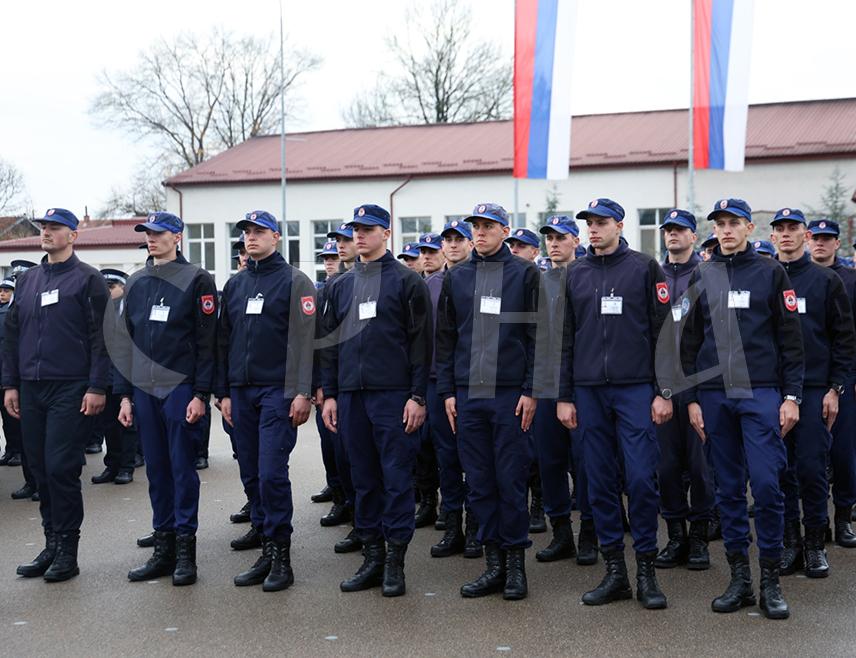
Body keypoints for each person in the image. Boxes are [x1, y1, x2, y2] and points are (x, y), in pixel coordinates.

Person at [681, 198, 804, 620]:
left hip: (761, 392)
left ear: (750, 228)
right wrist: (693, 398)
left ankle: (770, 579)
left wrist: (792, 397)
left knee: (768, 485)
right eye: (720, 223)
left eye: (734, 223)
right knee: (727, 490)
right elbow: (689, 342)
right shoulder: (704, 273)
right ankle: (740, 579)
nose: (726, 230)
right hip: (714, 396)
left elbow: (791, 340)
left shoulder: (771, 272)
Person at [556, 198, 671, 609]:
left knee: (640, 478)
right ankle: (615, 572)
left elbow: (664, 333)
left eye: (601, 222)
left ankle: (646, 570)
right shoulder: (575, 274)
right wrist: (565, 396)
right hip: (588, 392)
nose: (593, 229)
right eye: (589, 223)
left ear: (619, 225)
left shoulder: (643, 268)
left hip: (636, 389)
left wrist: (664, 391)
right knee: (598, 482)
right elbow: (565, 338)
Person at [321, 204, 432, 597]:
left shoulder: (406, 281)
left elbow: (422, 345)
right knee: (362, 478)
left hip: (392, 396)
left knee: (396, 478)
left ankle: (395, 563)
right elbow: (329, 346)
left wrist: (418, 396)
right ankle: (371, 556)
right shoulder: (340, 285)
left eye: (368, 229)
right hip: (351, 396)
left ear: (386, 232)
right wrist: (330, 393)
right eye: (355, 230)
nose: (359, 236)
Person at [436, 202, 539, 601]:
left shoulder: (525, 274)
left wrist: (531, 389)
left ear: (504, 229)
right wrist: (446, 392)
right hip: (467, 394)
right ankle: (492, 563)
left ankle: (515, 565)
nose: (480, 233)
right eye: (475, 226)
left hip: (510, 394)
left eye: (488, 226)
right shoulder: (457, 277)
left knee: (510, 480)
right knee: (478, 482)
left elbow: (537, 338)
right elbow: (445, 340)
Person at [4, 207, 111, 582]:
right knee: (37, 468)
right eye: (43, 227)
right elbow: (12, 335)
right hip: (31, 388)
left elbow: (102, 338)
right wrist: (10, 384)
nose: (47, 232)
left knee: (61, 467)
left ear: (73, 235)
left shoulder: (88, 280)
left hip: (71, 386)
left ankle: (68, 549)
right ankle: (50, 543)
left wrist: (98, 385)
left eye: (55, 227)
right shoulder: (29, 280)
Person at [114, 211, 217, 587]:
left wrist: (201, 393)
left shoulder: (197, 279)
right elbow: (124, 342)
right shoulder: (137, 281)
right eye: (147, 234)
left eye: (158, 234)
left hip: (179, 389)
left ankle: (186, 551)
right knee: (156, 470)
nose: (151, 239)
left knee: (181, 468)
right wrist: (123, 396)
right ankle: (164, 547)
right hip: (144, 389)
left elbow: (208, 342)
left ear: (177, 237)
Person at [217, 210, 315, 591]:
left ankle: (282, 556)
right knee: (251, 473)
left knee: (272, 473)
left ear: (276, 237)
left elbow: (306, 340)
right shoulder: (237, 284)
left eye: (259, 232)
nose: (251, 238)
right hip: (241, 392)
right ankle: (264, 545)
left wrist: (302, 391)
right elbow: (223, 340)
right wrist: (222, 392)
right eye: (246, 233)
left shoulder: (295, 281)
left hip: (279, 391)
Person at [769, 208, 856, 578]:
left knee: (811, 469)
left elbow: (844, 338)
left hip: (815, 388)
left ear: (805, 236)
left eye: (793, 229)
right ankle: (791, 542)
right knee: (781, 471)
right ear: (772, 237)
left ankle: (816, 544)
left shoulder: (825, 280)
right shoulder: (764, 277)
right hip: (772, 390)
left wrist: (836, 388)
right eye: (780, 230)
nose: (786, 235)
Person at [532, 215, 599, 566]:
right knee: (550, 461)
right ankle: (561, 533)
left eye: (561, 237)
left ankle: (590, 531)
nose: (554, 243)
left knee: (587, 461)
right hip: (544, 384)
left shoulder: (588, 276)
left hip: (581, 383)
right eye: (549, 238)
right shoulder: (539, 281)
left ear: (576, 240)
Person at [653, 210, 715, 571]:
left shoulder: (706, 275)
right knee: (666, 465)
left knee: (701, 466)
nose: (673, 235)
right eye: (668, 230)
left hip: (699, 386)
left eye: (680, 230)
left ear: (694, 236)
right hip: (662, 385)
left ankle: (699, 538)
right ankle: (675, 536)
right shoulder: (654, 275)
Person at [425, 220, 482, 559]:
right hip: (437, 383)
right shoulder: (428, 285)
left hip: (475, 382)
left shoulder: (480, 279)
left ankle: (476, 526)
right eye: (447, 239)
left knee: (473, 459)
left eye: (459, 238)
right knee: (446, 458)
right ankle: (451, 527)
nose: (453, 244)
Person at [806, 219, 856, 547]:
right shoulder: (793, 277)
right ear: (808, 240)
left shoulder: (851, 279)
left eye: (828, 239)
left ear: (838, 243)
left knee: (843, 451)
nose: (821, 244)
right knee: (809, 457)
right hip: (807, 377)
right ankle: (815, 521)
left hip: (844, 374)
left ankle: (842, 517)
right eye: (817, 238)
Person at [315, 222, 359, 536]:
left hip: (364, 385)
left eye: (346, 240)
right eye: (337, 242)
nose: (340, 247)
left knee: (358, 458)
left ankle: (362, 519)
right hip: (336, 384)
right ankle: (342, 499)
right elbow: (322, 340)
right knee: (335, 450)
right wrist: (321, 384)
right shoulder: (330, 287)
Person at [504, 226, 546, 533]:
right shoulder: (509, 281)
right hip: (516, 382)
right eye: (512, 245)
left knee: (542, 453)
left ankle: (539, 506)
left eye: (523, 245)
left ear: (535, 252)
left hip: (543, 382)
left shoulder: (535, 279)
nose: (515, 250)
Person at [90, 269, 138, 486]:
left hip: (127, 375)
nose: (108, 292)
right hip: (105, 376)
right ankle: (112, 464)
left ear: (123, 287)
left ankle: (127, 466)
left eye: (112, 287)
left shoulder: (132, 309)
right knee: (108, 423)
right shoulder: (99, 311)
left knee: (126, 424)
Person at [413, 232, 445, 528]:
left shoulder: (448, 284)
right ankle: (427, 501)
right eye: (423, 251)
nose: (427, 256)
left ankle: (452, 506)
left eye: (433, 251)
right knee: (420, 445)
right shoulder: (416, 286)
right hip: (419, 378)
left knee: (446, 447)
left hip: (442, 378)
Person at [310, 240, 341, 507]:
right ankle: (335, 488)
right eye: (325, 258)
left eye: (333, 257)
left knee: (345, 447)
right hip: (325, 379)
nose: (329, 261)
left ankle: (347, 499)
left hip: (350, 381)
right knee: (327, 441)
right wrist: (316, 383)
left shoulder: (346, 286)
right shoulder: (318, 291)